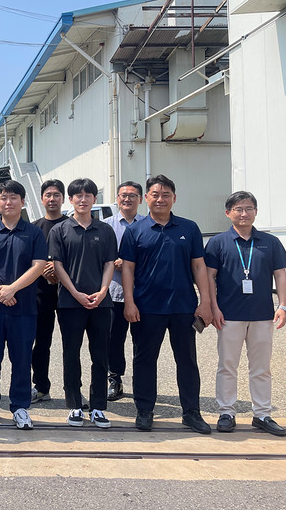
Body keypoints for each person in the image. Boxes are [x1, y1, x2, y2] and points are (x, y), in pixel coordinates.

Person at [120, 174, 213, 434]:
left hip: (184, 307)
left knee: (187, 361)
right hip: (147, 307)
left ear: (174, 198)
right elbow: (127, 268)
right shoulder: (135, 230)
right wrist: (129, 302)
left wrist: (205, 301)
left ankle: (191, 412)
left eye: (166, 195)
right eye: (155, 194)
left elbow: (199, 266)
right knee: (144, 360)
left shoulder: (189, 228)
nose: (160, 199)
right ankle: (144, 410)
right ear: (146, 198)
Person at [205, 191, 286, 437]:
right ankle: (226, 412)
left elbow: (280, 275)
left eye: (249, 208)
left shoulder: (270, 242)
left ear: (256, 211)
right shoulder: (218, 242)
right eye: (239, 209)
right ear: (228, 213)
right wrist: (213, 307)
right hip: (228, 315)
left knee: (261, 368)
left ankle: (262, 414)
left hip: (262, 315)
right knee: (227, 366)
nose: (244, 213)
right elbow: (209, 277)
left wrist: (283, 305)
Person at [0, 180, 47, 429]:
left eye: (14, 197)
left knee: (22, 359)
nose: (8, 202)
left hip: (23, 308)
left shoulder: (34, 233)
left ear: (22, 202)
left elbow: (39, 266)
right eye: (3, 197)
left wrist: (12, 289)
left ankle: (20, 407)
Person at [49, 178, 117, 429]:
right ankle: (75, 405)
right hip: (70, 303)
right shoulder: (60, 230)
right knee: (71, 353)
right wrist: (76, 293)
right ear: (71, 199)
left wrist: (103, 291)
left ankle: (98, 407)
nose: (83, 199)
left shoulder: (105, 230)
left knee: (100, 355)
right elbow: (57, 265)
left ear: (94, 199)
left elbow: (109, 263)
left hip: (101, 303)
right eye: (78, 195)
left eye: (88, 195)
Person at [103, 181, 145, 402]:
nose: (127, 199)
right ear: (117, 198)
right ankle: (114, 379)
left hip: (142, 294)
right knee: (113, 340)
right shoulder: (106, 226)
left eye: (132, 195)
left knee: (143, 341)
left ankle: (142, 383)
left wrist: (129, 263)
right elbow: (98, 257)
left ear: (141, 199)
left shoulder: (148, 225)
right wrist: (113, 262)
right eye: (123, 195)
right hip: (113, 293)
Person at [30, 179, 68, 404]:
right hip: (40, 294)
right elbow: (27, 259)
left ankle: (72, 390)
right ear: (42, 198)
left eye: (56, 195)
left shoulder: (71, 225)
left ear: (63, 198)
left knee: (71, 343)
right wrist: (43, 269)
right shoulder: (34, 228)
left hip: (68, 293)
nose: (52, 199)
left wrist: (58, 269)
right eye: (48, 195)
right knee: (41, 342)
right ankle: (41, 386)